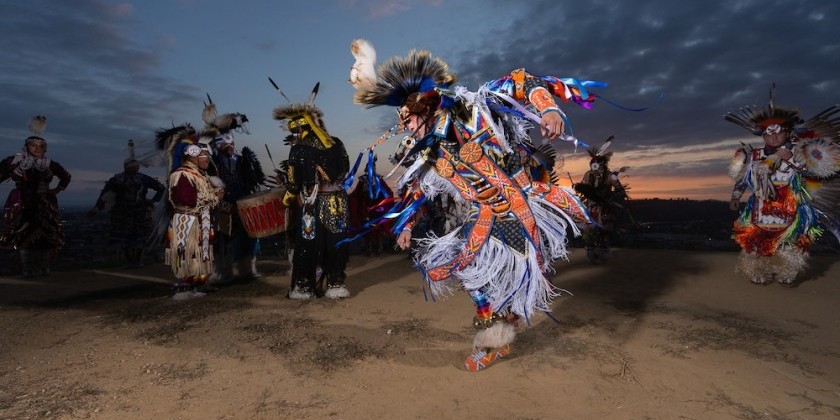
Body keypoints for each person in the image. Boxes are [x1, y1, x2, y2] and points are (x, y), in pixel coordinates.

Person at [348, 39, 597, 371]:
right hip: (482, 213)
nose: (405, 127)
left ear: (423, 110)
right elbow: (418, 187)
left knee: (513, 279)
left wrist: (548, 108)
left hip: (519, 206)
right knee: (466, 271)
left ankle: (501, 330)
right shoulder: (431, 150)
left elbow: (521, 81)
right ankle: (495, 335)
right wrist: (406, 224)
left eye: (407, 120)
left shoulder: (471, 109)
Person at [725, 88, 840, 286]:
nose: (774, 137)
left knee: (793, 241)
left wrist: (793, 161)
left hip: (792, 205)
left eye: (778, 133)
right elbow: (743, 178)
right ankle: (755, 271)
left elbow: (816, 174)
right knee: (756, 240)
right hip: (760, 206)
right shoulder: (752, 155)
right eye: (769, 134)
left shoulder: (800, 153)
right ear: (763, 135)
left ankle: (787, 273)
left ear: (787, 132)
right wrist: (736, 196)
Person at [273, 83, 351, 300]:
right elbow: (345, 168)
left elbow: (292, 182)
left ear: (300, 129)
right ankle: (336, 283)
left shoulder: (299, 149)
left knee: (308, 245)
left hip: (313, 203)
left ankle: (305, 286)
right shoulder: (337, 143)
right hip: (338, 202)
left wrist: (287, 199)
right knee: (337, 242)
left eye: (295, 131)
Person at [200, 99, 266, 284]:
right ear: (219, 146)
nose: (229, 148)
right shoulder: (213, 162)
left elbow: (253, 179)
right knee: (222, 238)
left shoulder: (243, 159)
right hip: (222, 204)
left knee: (249, 235)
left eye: (231, 145)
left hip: (242, 202)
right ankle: (223, 270)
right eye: (225, 146)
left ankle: (247, 268)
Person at [0, 116, 71, 278]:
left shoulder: (49, 163)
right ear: (26, 146)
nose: (37, 148)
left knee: (46, 235)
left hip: (44, 202)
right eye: (33, 145)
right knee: (22, 234)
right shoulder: (14, 161)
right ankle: (27, 269)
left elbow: (66, 176)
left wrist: (56, 190)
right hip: (21, 201)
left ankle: (44, 268)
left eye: (41, 146)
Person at [89, 141, 165, 268]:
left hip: (137, 212)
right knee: (126, 237)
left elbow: (161, 188)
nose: (136, 168)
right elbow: (105, 194)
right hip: (124, 212)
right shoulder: (120, 179)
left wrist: (152, 201)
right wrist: (97, 207)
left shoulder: (137, 178)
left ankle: (136, 261)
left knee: (137, 236)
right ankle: (132, 261)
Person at [164, 139, 224, 299]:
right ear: (193, 156)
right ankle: (185, 286)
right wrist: (214, 198)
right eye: (204, 156)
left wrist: (214, 196)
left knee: (202, 252)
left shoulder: (200, 175)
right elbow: (187, 200)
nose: (207, 160)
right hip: (187, 221)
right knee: (186, 253)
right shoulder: (182, 174)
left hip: (201, 220)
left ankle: (200, 282)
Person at [573, 137, 631, 263]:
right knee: (588, 229)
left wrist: (610, 198)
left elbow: (620, 190)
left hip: (605, 206)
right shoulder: (588, 175)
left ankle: (603, 251)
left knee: (604, 229)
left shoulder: (611, 176)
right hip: (591, 206)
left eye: (597, 166)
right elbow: (584, 188)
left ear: (602, 165)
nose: (595, 169)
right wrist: (579, 189)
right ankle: (591, 250)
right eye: (592, 165)